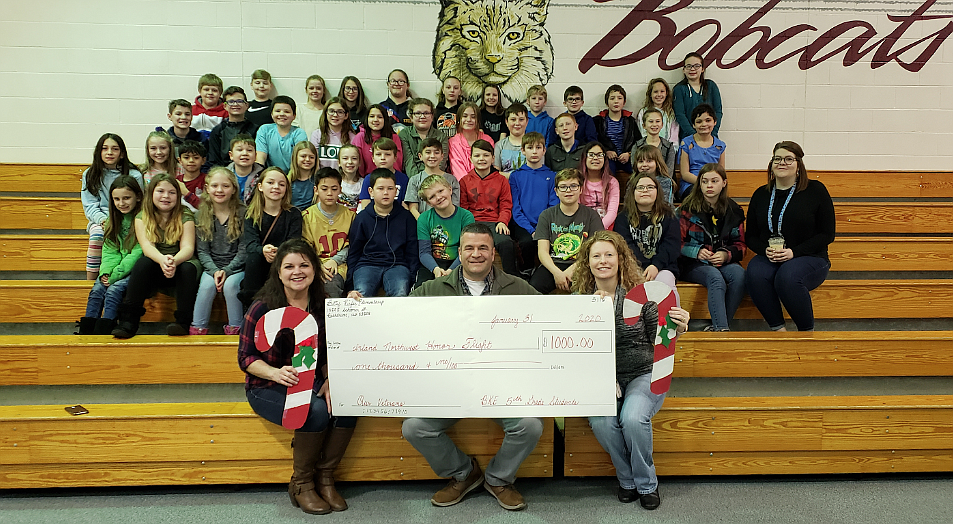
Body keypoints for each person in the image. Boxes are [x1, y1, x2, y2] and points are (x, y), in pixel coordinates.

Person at [405, 222, 542, 511]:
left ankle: (498, 478)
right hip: (450, 390)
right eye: (469, 248)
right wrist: (361, 305)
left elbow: (554, 317)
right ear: (459, 252)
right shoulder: (431, 289)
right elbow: (395, 315)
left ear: (494, 253)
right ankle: (464, 474)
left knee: (529, 426)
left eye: (483, 248)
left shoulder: (518, 288)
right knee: (415, 428)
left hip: (502, 390)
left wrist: (595, 305)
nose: (476, 254)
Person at [238, 239, 356, 515]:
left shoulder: (323, 303)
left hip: (312, 380)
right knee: (313, 411)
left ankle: (325, 479)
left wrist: (330, 379)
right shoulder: (263, 307)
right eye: (289, 266)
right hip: (266, 385)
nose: (297, 271)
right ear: (278, 271)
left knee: (347, 402)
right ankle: (301, 483)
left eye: (304, 264)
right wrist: (274, 373)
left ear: (315, 268)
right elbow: (246, 358)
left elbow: (327, 353)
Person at [574, 230, 689, 511]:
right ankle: (627, 480)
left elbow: (658, 338)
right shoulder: (579, 301)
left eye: (609, 255)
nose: (603, 261)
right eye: (596, 255)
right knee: (602, 421)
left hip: (643, 373)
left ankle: (646, 484)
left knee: (633, 417)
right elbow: (576, 351)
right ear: (587, 263)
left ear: (620, 259)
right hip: (601, 377)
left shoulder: (642, 295)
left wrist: (678, 327)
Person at [745, 141, 835, 332]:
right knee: (755, 272)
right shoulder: (761, 194)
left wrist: (795, 252)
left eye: (788, 159)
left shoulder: (815, 190)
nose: (782, 163)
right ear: (771, 164)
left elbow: (827, 234)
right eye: (777, 159)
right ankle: (778, 331)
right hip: (772, 256)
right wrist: (764, 250)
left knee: (787, 277)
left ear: (798, 165)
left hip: (809, 257)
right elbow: (750, 236)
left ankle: (806, 333)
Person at [111, 173, 200, 338]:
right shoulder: (142, 216)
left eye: (172, 192)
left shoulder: (185, 215)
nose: (166, 196)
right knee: (143, 263)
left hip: (180, 261)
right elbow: (147, 247)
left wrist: (173, 261)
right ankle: (128, 321)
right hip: (156, 261)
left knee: (188, 268)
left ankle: (183, 322)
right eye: (160, 191)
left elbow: (188, 247)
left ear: (178, 195)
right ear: (151, 193)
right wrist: (162, 260)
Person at [677, 163, 746, 332]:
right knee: (715, 278)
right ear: (698, 184)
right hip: (692, 263)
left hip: (722, 261)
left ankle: (721, 327)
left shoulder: (734, 210)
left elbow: (741, 245)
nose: (709, 185)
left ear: (724, 183)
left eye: (714, 181)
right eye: (704, 181)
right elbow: (675, 243)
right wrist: (697, 251)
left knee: (740, 275)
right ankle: (722, 330)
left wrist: (725, 255)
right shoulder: (686, 210)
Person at [77, 175, 143, 335]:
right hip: (114, 269)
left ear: (138, 197)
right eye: (117, 199)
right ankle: (86, 331)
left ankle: (106, 329)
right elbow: (109, 251)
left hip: (134, 270)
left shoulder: (143, 219)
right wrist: (105, 272)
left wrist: (116, 274)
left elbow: (138, 252)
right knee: (97, 290)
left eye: (127, 198)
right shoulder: (112, 221)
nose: (122, 203)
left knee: (114, 290)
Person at [345, 169, 418, 298]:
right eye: (380, 188)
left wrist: (412, 277)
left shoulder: (406, 218)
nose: (385, 193)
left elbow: (412, 251)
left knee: (400, 292)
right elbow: (354, 252)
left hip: (397, 265)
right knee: (361, 293)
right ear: (371, 192)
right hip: (367, 264)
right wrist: (350, 286)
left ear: (396, 191)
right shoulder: (362, 218)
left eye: (390, 188)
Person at [191, 167, 247, 335]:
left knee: (231, 286)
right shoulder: (201, 215)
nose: (220, 190)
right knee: (206, 287)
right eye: (215, 186)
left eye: (225, 186)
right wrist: (215, 271)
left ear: (234, 189)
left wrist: (227, 270)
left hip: (237, 268)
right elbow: (202, 251)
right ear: (207, 188)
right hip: (212, 268)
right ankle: (198, 330)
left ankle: (236, 330)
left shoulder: (243, 213)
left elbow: (244, 249)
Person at [81, 133, 144, 280]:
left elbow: (139, 203)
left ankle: (121, 275)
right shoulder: (89, 175)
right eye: (105, 148)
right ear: (99, 152)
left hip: (129, 218)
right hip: (100, 220)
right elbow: (90, 205)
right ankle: (90, 281)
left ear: (122, 153)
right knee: (97, 235)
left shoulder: (134, 175)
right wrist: (103, 220)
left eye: (115, 149)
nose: (109, 153)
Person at [531, 168, 605, 293]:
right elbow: (542, 252)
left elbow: (596, 250)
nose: (568, 190)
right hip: (553, 264)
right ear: (556, 191)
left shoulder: (591, 215)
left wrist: (572, 270)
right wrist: (557, 273)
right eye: (563, 187)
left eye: (573, 186)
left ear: (581, 189)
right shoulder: (546, 215)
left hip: (583, 264)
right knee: (534, 286)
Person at [239, 167, 303, 306]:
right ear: (260, 187)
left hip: (284, 262)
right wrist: (263, 250)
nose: (276, 187)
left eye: (281, 184)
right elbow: (250, 245)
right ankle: (251, 311)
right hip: (258, 264)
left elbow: (294, 243)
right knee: (254, 258)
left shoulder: (294, 214)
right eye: (271, 182)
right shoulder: (251, 214)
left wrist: (278, 253)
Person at [459, 139, 518, 276]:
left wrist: (503, 221)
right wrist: (468, 224)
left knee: (506, 243)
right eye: (477, 155)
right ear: (471, 159)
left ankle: (512, 280)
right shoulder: (464, 181)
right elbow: (463, 207)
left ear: (493, 158)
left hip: (495, 222)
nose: (481, 159)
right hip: (472, 221)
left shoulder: (502, 180)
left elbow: (506, 204)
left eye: (486, 155)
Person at [615, 173, 680, 296]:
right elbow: (625, 246)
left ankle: (672, 316)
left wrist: (656, 266)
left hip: (663, 267)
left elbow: (671, 246)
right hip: (633, 268)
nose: (645, 190)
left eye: (650, 187)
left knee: (664, 287)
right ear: (633, 192)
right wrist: (643, 267)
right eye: (640, 187)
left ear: (657, 191)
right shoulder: (622, 218)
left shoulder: (669, 216)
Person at [508, 132, 559, 275]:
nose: (535, 151)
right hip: (523, 224)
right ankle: (527, 272)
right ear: (523, 150)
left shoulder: (552, 176)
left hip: (545, 223)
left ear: (544, 150)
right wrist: (531, 230)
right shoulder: (516, 176)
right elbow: (516, 208)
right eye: (530, 147)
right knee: (526, 243)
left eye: (538, 147)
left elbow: (553, 205)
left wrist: (541, 227)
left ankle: (547, 273)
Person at [302, 168, 355, 299]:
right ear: (316, 190)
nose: (329, 193)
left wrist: (334, 261)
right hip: (315, 264)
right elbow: (305, 247)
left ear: (340, 190)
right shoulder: (307, 216)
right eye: (324, 189)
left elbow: (353, 245)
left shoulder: (350, 216)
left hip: (341, 265)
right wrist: (318, 265)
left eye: (334, 188)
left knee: (331, 282)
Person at [415, 174, 475, 286]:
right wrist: (436, 269)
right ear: (428, 203)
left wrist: (451, 270)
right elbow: (424, 252)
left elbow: (467, 249)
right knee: (422, 289)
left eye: (441, 191)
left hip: (460, 261)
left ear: (450, 189)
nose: (438, 197)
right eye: (432, 197)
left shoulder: (466, 216)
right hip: (433, 263)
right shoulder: (423, 219)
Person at [677, 103, 725, 200]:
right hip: (691, 185)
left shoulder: (720, 146)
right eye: (699, 121)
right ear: (694, 125)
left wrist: (711, 183)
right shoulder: (686, 143)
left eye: (708, 120)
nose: (704, 124)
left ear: (715, 122)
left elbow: (721, 172)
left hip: (713, 184)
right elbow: (685, 173)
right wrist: (704, 183)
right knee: (701, 197)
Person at [405, 137, 460, 218]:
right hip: (423, 223)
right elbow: (413, 208)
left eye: (436, 152)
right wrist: (423, 222)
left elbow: (455, 205)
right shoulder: (414, 180)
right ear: (420, 156)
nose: (432, 156)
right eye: (428, 152)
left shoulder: (451, 180)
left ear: (442, 156)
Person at [673, 53, 723, 141]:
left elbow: (718, 111)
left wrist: (712, 133)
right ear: (683, 70)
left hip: (710, 137)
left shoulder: (711, 86)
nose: (692, 69)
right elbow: (680, 115)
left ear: (702, 69)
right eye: (688, 66)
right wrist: (694, 136)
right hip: (688, 138)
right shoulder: (679, 89)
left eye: (697, 66)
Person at [593, 84, 640, 176]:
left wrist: (629, 154)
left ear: (624, 102)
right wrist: (605, 152)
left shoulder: (630, 121)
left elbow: (638, 142)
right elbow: (594, 141)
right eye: (612, 98)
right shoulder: (598, 121)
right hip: (607, 158)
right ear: (607, 102)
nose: (616, 101)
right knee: (608, 172)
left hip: (626, 158)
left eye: (619, 98)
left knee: (640, 170)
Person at [255, 96, 309, 173]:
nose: (282, 114)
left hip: (294, 176)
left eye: (287, 111)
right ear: (272, 114)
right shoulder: (264, 130)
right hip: (270, 175)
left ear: (294, 116)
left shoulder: (299, 133)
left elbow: (300, 161)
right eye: (278, 111)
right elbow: (260, 158)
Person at [208, 86, 257, 168]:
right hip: (224, 174)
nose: (235, 104)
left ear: (246, 105)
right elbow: (214, 160)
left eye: (240, 101)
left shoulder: (255, 129)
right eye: (231, 101)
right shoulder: (217, 131)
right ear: (225, 106)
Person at [399, 97, 449, 177]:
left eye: (426, 113)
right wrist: (419, 181)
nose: (422, 117)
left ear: (432, 116)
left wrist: (432, 182)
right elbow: (408, 163)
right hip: (413, 180)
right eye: (418, 113)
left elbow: (441, 164)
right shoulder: (404, 134)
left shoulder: (441, 136)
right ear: (411, 117)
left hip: (437, 179)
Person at [632, 108, 677, 194]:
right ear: (644, 125)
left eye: (657, 121)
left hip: (663, 185)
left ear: (662, 124)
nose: (654, 124)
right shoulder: (637, 146)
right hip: (642, 184)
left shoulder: (668, 146)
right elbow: (635, 169)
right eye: (651, 121)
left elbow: (669, 171)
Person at [577, 142, 620, 230]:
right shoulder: (577, 180)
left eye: (600, 155)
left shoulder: (612, 182)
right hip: (582, 226)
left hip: (606, 226)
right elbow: (575, 208)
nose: (595, 158)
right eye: (591, 155)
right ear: (584, 158)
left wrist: (598, 228)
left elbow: (612, 211)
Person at [352, 103, 403, 176]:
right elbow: (358, 165)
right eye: (372, 116)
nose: (375, 120)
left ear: (385, 119)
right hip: (366, 179)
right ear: (367, 119)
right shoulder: (359, 137)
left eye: (380, 117)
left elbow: (397, 164)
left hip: (390, 179)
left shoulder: (394, 138)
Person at [357, 138, 409, 211]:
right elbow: (365, 205)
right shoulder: (368, 179)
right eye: (378, 154)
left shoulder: (403, 179)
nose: (383, 158)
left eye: (387, 154)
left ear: (395, 158)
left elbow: (405, 207)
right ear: (373, 158)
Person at [448, 102, 493, 180]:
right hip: (462, 187)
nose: (469, 120)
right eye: (465, 116)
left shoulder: (487, 140)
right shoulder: (452, 142)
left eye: (473, 117)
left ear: (478, 120)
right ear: (459, 119)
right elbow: (458, 171)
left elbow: (486, 168)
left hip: (485, 184)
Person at [309, 97, 352, 170]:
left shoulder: (352, 137)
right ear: (326, 113)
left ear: (346, 115)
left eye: (340, 112)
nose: (335, 115)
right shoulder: (316, 135)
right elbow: (314, 162)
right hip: (321, 178)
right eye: (331, 111)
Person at [636, 78, 679, 144]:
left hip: (666, 150)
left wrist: (670, 150)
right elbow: (642, 134)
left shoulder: (670, 113)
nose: (659, 95)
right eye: (655, 92)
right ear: (650, 94)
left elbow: (674, 137)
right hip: (648, 150)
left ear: (666, 93)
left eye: (662, 91)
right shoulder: (643, 112)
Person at [226, 134, 265, 205]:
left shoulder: (263, 176)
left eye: (249, 150)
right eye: (239, 150)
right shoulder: (223, 175)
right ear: (231, 155)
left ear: (255, 156)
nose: (245, 153)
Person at [493, 103, 529, 177]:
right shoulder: (499, 146)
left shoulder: (533, 145)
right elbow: (496, 173)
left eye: (521, 119)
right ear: (506, 122)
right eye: (513, 119)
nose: (517, 123)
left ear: (527, 122)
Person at [287, 141, 318, 209]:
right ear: (295, 157)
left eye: (311, 157)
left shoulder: (318, 180)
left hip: (312, 217)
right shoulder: (287, 181)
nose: (307, 159)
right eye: (303, 156)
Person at [176, 140, 206, 209]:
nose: (191, 160)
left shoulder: (208, 180)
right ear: (180, 160)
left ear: (203, 160)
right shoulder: (177, 181)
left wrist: (186, 193)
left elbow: (205, 208)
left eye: (196, 158)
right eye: (186, 157)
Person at [336, 144, 362, 212]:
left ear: (359, 162)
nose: (350, 162)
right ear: (339, 162)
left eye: (354, 158)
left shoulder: (364, 183)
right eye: (345, 158)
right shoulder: (335, 182)